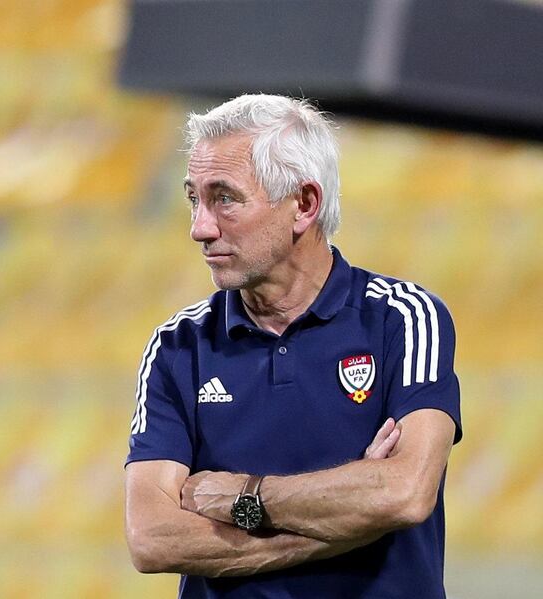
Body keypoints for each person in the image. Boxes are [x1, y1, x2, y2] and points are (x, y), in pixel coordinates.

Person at [124, 94, 462, 599]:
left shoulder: (404, 318)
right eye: (194, 197)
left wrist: (241, 496)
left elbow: (405, 494)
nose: (200, 227)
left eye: (225, 198)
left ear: (304, 204)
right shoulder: (178, 346)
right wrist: (344, 522)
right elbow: (151, 539)